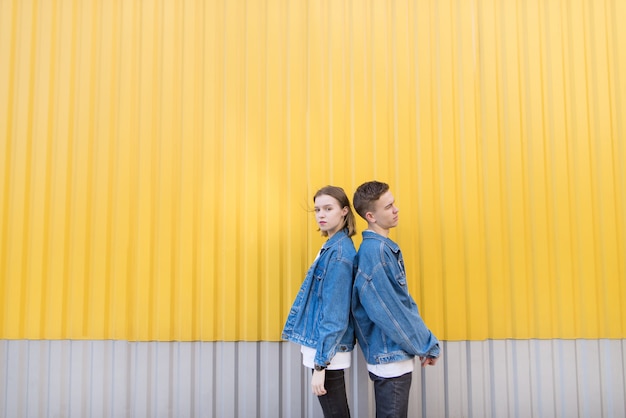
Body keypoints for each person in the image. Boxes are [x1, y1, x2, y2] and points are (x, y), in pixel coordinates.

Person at [351, 180, 441, 418]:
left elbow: (401, 304)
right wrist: (425, 345)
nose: (396, 209)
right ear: (370, 215)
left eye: (394, 203)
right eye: (389, 206)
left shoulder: (382, 249)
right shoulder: (376, 254)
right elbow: (392, 311)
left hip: (391, 354)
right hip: (389, 358)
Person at [282, 185, 358, 418]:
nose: (321, 215)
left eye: (328, 208)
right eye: (317, 210)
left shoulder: (339, 253)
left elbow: (334, 313)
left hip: (327, 352)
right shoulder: (331, 246)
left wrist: (320, 365)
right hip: (323, 347)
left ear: (344, 211)